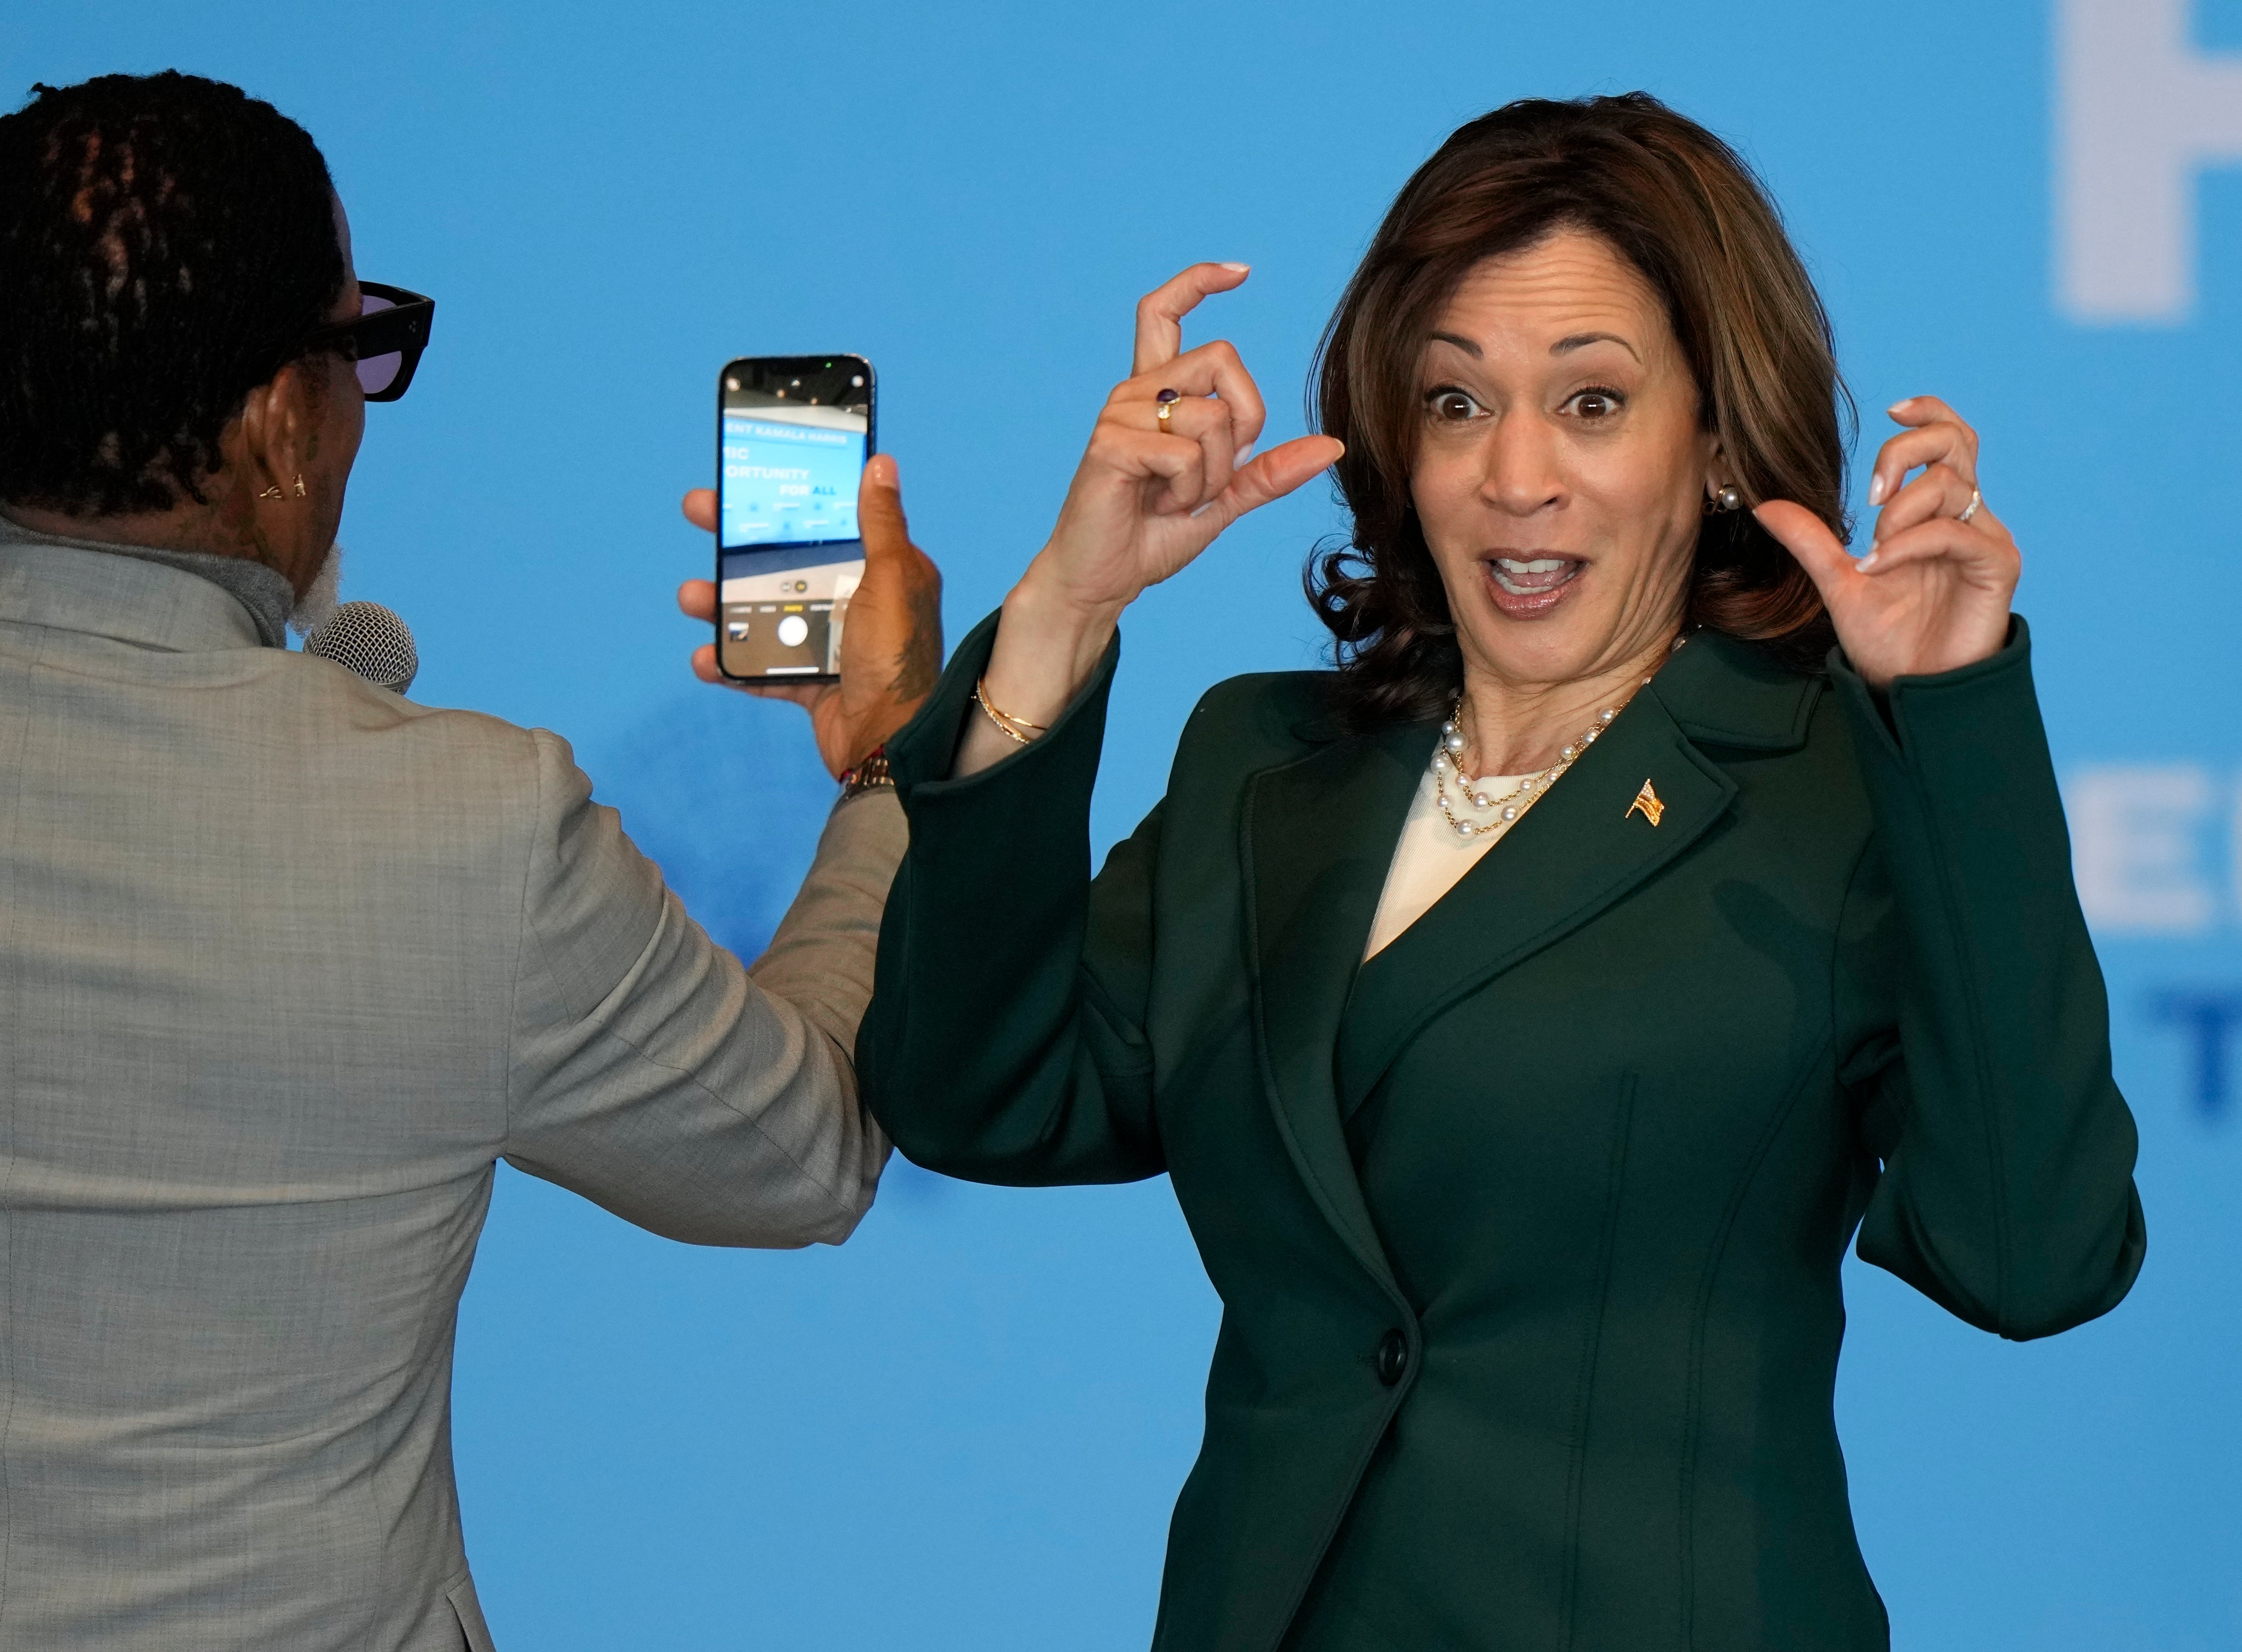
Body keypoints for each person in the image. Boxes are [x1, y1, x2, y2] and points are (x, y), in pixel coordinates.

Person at [856, 93, 2143, 1650]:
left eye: (1592, 404)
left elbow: (2033, 1258)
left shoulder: (1831, 797)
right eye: (1455, 404)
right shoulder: (1267, 767)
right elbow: (975, 1096)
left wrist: (1954, 726)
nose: (1511, 476)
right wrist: (1068, 603)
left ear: (1718, 440)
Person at [0, 72, 940, 1652]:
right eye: (362, 353)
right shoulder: (473, 826)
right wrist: (896, 757)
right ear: (284, 422)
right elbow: (800, 1151)